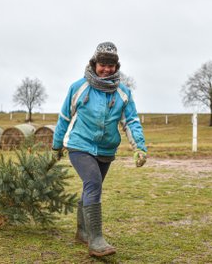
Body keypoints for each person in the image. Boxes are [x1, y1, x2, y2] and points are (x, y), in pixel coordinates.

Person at [52, 41, 147, 257]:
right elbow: (65, 117)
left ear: (116, 67)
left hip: (105, 150)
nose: (107, 69)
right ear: (94, 63)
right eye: (103, 64)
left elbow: (131, 121)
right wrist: (57, 145)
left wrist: (139, 147)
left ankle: (82, 231)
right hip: (80, 145)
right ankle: (96, 240)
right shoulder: (78, 87)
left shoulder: (123, 93)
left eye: (111, 66)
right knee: (93, 183)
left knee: (90, 187)